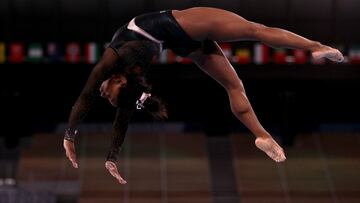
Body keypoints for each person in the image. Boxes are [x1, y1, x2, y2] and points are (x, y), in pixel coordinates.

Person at [63, 7, 344, 184]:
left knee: (234, 87)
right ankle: (315, 46)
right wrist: (70, 136)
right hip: (178, 26)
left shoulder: (128, 79)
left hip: (179, 44)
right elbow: (87, 98)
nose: (104, 94)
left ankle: (261, 134)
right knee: (254, 30)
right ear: (120, 81)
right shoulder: (112, 62)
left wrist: (110, 156)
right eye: (109, 96)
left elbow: (119, 116)